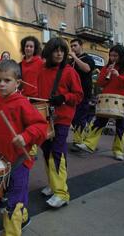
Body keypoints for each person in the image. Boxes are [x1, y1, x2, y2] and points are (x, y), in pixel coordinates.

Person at [0, 60, 47, 236]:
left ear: (17, 83)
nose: (2, 84)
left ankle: (11, 232)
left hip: (19, 161)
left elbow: (40, 125)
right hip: (0, 159)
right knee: (9, 196)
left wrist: (25, 136)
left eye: (7, 80)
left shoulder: (22, 103)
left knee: (14, 201)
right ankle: (23, 218)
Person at [38, 37, 83, 208]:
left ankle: (61, 193)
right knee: (47, 152)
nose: (59, 53)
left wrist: (64, 98)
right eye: (56, 50)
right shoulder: (42, 71)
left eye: (62, 51)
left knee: (57, 152)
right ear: (49, 52)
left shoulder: (70, 72)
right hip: (44, 118)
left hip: (62, 119)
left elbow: (79, 96)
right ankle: (53, 185)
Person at [76, 44, 124, 161]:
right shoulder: (107, 67)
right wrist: (107, 73)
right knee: (99, 122)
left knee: (121, 126)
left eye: (115, 56)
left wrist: (118, 76)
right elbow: (100, 83)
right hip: (106, 97)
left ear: (122, 56)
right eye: (111, 55)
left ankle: (118, 150)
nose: (112, 58)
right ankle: (89, 144)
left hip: (123, 99)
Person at [69, 39, 95, 147]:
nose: (73, 48)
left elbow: (87, 69)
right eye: (71, 46)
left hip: (84, 93)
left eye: (75, 45)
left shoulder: (88, 58)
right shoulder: (70, 62)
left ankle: (78, 141)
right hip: (73, 93)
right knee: (74, 117)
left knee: (80, 116)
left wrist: (74, 57)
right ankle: (79, 138)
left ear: (81, 46)